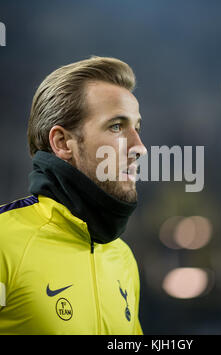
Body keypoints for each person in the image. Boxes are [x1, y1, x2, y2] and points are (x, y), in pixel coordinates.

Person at [0, 56, 147, 335]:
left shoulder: (123, 257)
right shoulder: (3, 241)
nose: (139, 147)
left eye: (137, 128)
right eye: (116, 126)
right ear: (62, 142)